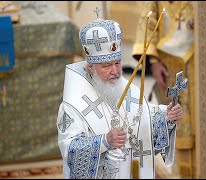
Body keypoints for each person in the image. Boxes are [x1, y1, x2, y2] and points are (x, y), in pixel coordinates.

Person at [56, 12, 183, 179]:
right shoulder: (72, 104)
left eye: (117, 63)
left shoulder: (126, 89)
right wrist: (104, 141)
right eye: (106, 66)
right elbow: (70, 148)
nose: (115, 72)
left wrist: (166, 116)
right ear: (90, 67)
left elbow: (143, 117)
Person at [132, 1, 195, 178]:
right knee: (178, 123)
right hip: (170, 63)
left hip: (201, 59)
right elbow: (148, 18)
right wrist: (154, 62)